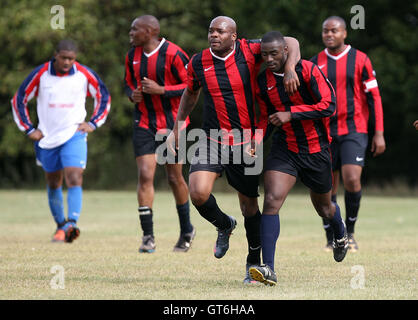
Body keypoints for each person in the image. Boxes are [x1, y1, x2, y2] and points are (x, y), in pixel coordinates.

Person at [167, 16, 301, 283]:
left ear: (234, 37)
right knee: (198, 192)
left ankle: (253, 261)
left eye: (220, 31)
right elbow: (190, 93)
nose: (214, 35)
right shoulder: (198, 62)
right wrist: (178, 126)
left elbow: (291, 42)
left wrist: (291, 69)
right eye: (211, 30)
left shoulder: (251, 51)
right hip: (211, 137)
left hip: (246, 142)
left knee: (249, 205)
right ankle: (224, 225)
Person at [248, 31, 348, 286]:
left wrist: (291, 114)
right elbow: (266, 118)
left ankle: (340, 232)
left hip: (316, 151)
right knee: (271, 200)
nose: (269, 59)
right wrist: (256, 139)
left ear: (284, 52)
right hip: (286, 149)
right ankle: (268, 268)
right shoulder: (262, 83)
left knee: (324, 208)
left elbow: (329, 105)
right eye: (265, 55)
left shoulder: (308, 71)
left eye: (274, 54)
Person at [11, 39, 111, 243]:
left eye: (71, 59)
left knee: (74, 176)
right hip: (47, 137)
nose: (67, 62)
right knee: (53, 181)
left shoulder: (84, 74)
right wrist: (29, 128)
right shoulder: (41, 74)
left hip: (74, 133)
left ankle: (72, 224)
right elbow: (19, 99)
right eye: (64, 57)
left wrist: (93, 123)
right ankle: (60, 226)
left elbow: (103, 96)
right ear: (55, 55)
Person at [311, 16, 386, 252]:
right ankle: (332, 236)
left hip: (355, 129)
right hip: (325, 133)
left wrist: (379, 133)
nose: (329, 35)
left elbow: (374, 98)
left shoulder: (361, 59)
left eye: (334, 31)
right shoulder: (315, 62)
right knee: (327, 186)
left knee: (352, 178)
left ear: (345, 33)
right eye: (325, 31)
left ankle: (350, 233)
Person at [124, 15, 195, 253]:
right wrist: (131, 94)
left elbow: (191, 87)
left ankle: (186, 230)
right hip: (144, 122)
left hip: (173, 125)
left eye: (135, 29)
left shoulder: (174, 54)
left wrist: (161, 90)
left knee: (175, 178)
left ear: (150, 31)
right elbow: (127, 83)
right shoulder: (131, 55)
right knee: (145, 175)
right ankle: (148, 237)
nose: (131, 33)